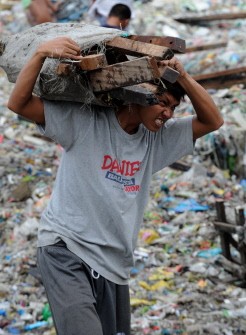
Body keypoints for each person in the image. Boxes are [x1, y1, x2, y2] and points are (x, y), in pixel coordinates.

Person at [7, 36, 223, 335]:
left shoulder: (157, 140)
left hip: (114, 265)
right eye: (163, 103)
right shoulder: (86, 122)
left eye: (173, 108)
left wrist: (182, 76)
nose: (168, 114)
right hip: (66, 248)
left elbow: (212, 121)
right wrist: (42, 53)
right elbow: (19, 103)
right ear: (137, 95)